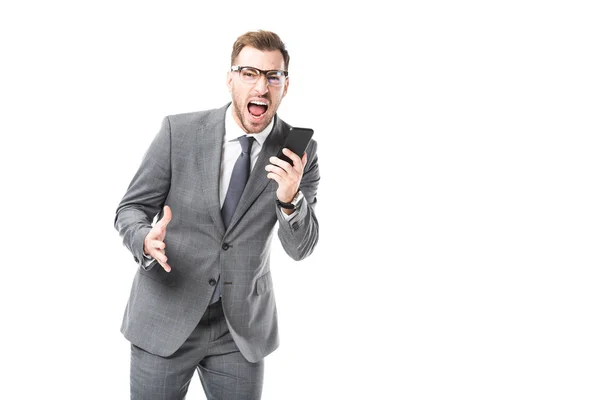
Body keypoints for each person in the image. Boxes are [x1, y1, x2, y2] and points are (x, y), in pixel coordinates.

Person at [114, 30, 320, 399]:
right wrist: (144, 241)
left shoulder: (299, 153)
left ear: (285, 86)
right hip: (166, 314)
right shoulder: (180, 132)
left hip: (239, 329)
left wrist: (290, 200)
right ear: (230, 79)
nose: (261, 87)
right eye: (249, 73)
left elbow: (301, 248)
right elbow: (131, 208)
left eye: (273, 76)